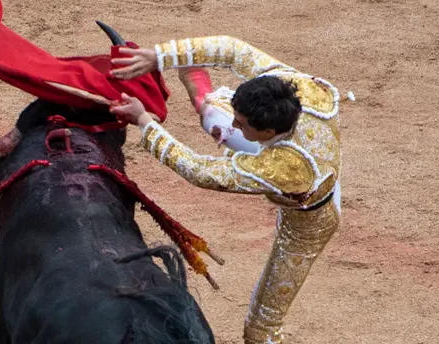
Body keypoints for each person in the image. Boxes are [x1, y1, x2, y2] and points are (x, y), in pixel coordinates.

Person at [108, 35, 343, 344]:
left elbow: (200, 170)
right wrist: (162, 56)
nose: (236, 124)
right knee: (213, 112)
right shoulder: (295, 86)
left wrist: (145, 123)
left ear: (269, 133)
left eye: (243, 123)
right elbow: (233, 50)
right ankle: (201, 93)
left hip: (307, 223)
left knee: (261, 331)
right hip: (301, 149)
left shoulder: (283, 168)